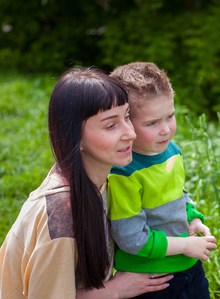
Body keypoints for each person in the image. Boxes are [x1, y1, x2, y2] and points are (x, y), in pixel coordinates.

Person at [0, 67, 173, 299]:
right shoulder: (61, 213)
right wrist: (116, 290)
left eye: (128, 116)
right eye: (111, 125)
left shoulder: (105, 177)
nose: (130, 133)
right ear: (75, 137)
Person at [108, 62, 217, 299]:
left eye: (170, 116)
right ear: (126, 122)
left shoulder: (170, 150)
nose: (166, 130)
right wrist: (186, 246)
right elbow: (132, 239)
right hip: (150, 281)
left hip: (190, 268)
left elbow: (179, 193)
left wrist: (193, 218)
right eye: (152, 123)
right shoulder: (123, 173)